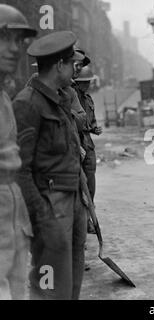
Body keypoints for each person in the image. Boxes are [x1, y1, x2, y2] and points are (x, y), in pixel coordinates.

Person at [12, 30, 87, 300]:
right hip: (51, 205)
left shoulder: (61, 99)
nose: (75, 69)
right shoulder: (28, 104)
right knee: (50, 285)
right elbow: (19, 170)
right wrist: (41, 217)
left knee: (72, 275)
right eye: (71, 63)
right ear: (59, 65)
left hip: (73, 198)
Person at [0, 4, 37, 300]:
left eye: (18, 41)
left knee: (16, 289)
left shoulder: (4, 95)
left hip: (12, 205)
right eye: (3, 38)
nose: (14, 49)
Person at [74, 65, 102, 202]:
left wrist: (95, 129)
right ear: (77, 82)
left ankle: (90, 208)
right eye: (84, 82)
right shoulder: (71, 97)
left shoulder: (88, 99)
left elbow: (92, 122)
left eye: (88, 82)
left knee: (90, 177)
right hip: (76, 140)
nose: (87, 85)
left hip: (87, 141)